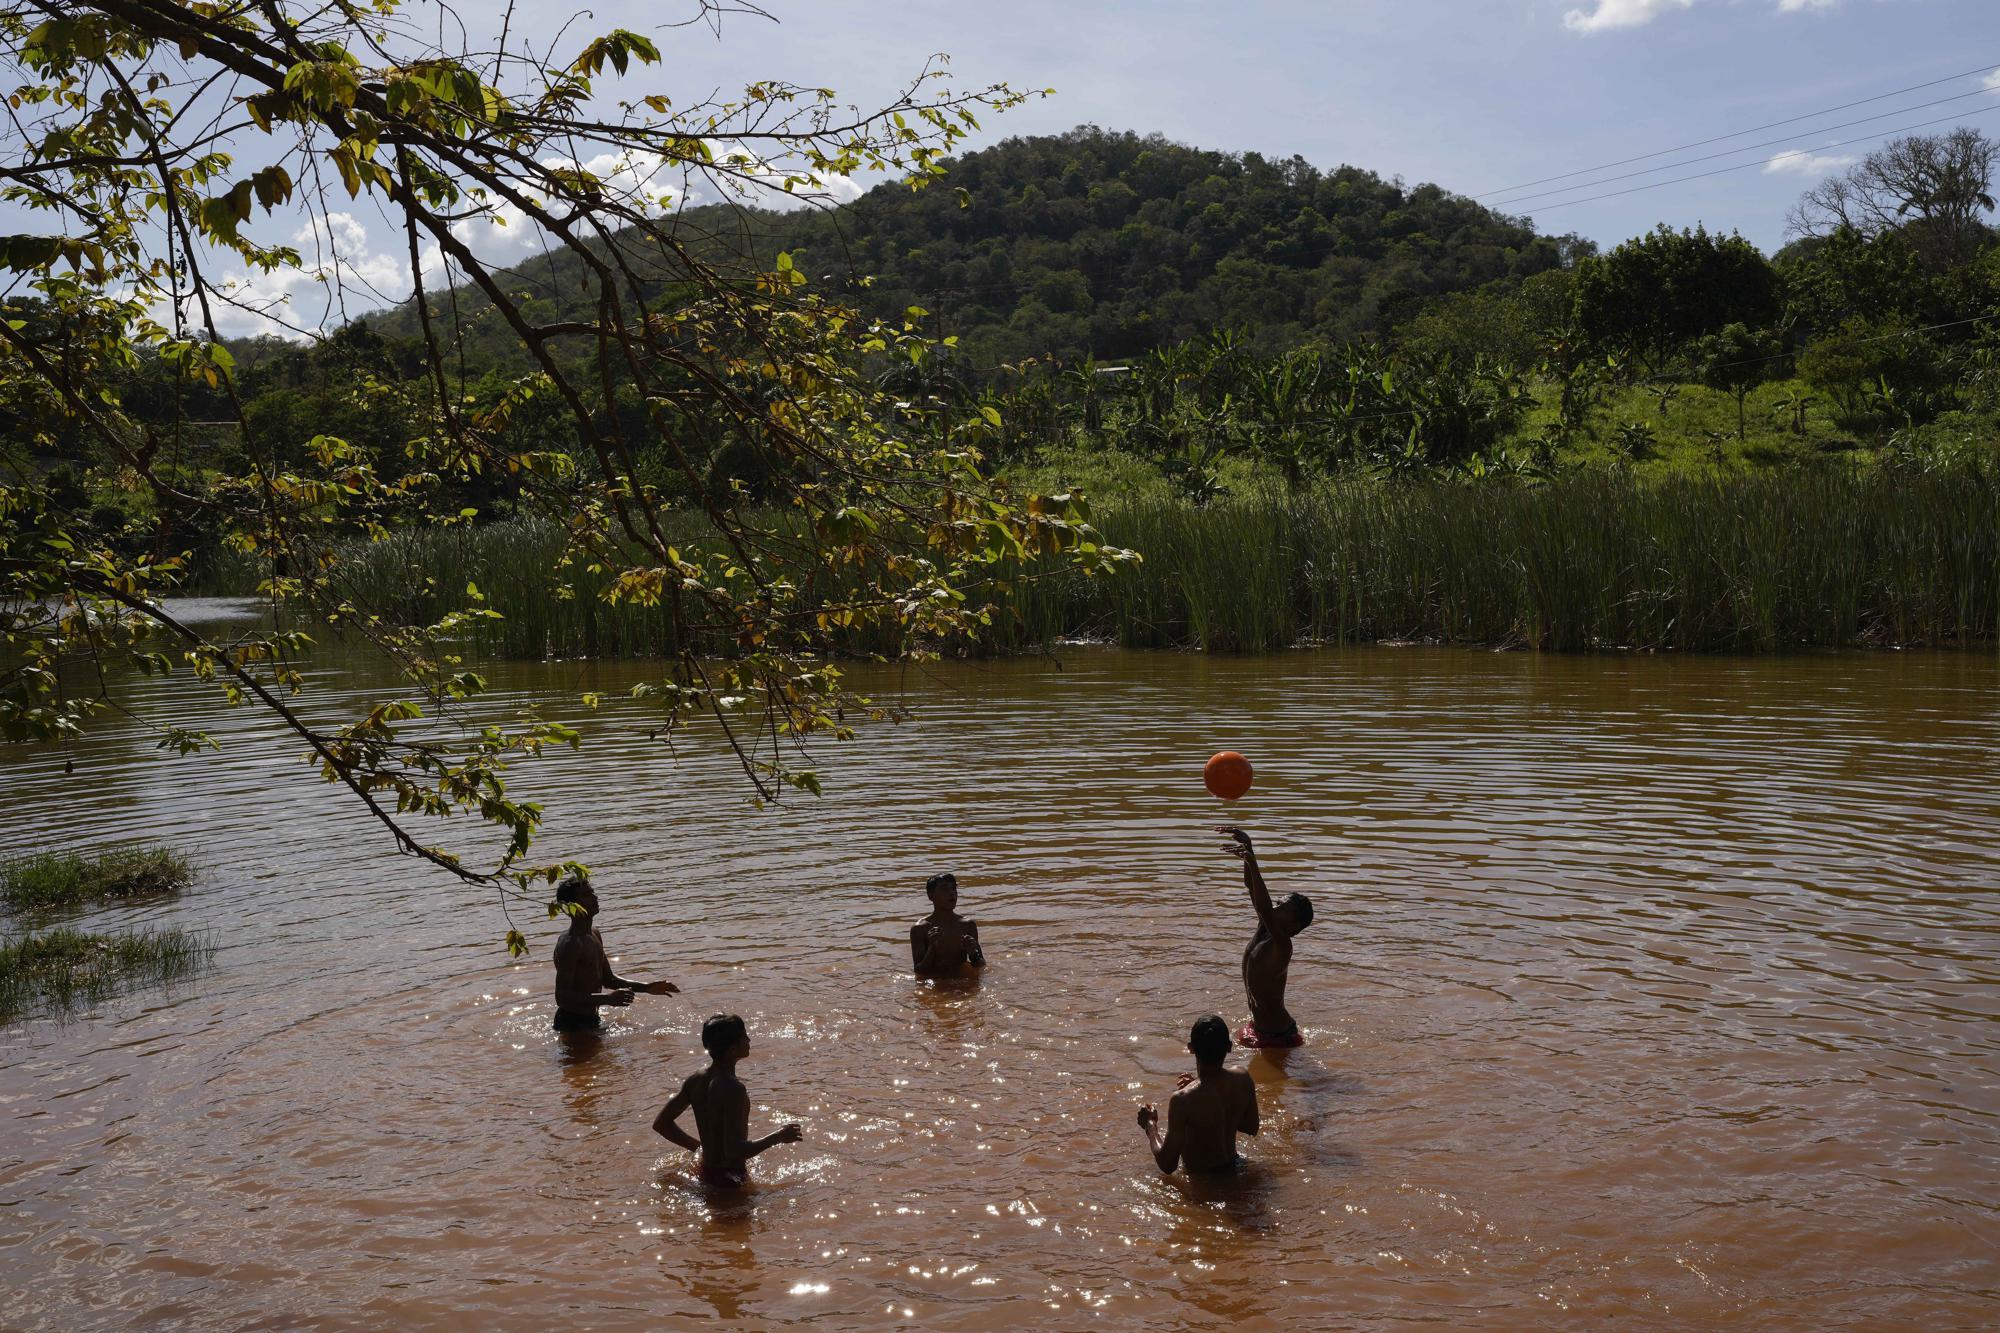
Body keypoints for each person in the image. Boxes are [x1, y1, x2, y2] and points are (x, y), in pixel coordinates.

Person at [653, 1013, 804, 1188]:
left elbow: (661, 1124)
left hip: (705, 1171)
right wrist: (778, 1137)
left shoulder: (695, 1079)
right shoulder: (733, 1088)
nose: (749, 1039)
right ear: (732, 1049)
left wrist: (700, 1148)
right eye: (744, 1036)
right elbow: (734, 1151)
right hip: (730, 1182)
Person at [1219, 826, 1313, 1047]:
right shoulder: (1265, 927)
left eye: (1282, 907)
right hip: (1258, 1027)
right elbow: (1251, 886)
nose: (1274, 907)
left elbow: (1263, 905)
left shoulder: (1283, 945)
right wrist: (1248, 848)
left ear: (1294, 926)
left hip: (1279, 1035)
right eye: (1276, 903)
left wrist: (1253, 862)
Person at [550, 875, 678, 1033]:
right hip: (572, 1024)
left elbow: (608, 979)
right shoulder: (570, 944)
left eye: (592, 892)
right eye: (586, 895)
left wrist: (647, 987)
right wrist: (608, 999)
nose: (594, 897)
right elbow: (562, 997)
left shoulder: (594, 933)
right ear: (570, 906)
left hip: (591, 1018)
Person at [1136, 1014, 1260, 1174]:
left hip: (1206, 1183)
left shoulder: (1183, 1099)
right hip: (1237, 1167)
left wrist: (1150, 1126)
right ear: (1229, 1047)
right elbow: (1251, 1127)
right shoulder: (1243, 1077)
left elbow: (1167, 1164)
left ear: (1190, 1048)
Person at [909, 872, 986, 977]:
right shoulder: (919, 929)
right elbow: (919, 971)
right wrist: (932, 948)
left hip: (961, 981)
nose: (952, 893)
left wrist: (973, 954)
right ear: (931, 895)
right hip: (936, 983)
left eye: (954, 888)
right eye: (945, 889)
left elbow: (981, 966)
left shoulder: (968, 925)